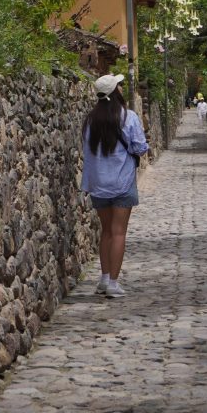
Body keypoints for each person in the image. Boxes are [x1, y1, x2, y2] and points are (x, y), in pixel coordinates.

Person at [81, 73, 149, 298]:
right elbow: (140, 147)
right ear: (115, 92)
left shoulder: (90, 120)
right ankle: (113, 283)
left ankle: (103, 278)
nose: (121, 87)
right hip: (122, 181)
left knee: (106, 231)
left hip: (98, 182)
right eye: (119, 85)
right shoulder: (128, 117)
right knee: (119, 232)